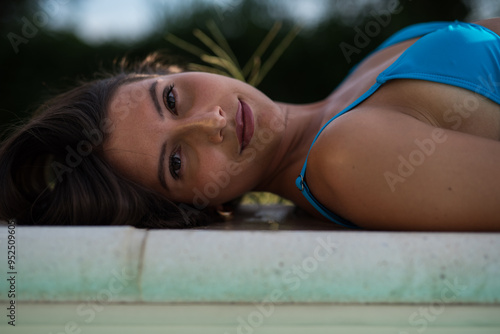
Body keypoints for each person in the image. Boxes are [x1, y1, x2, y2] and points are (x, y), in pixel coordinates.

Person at [1, 19, 500, 231]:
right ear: (200, 207)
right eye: (176, 161)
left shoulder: (348, 90)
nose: (212, 122)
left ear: (171, 73)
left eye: (171, 99)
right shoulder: (344, 158)